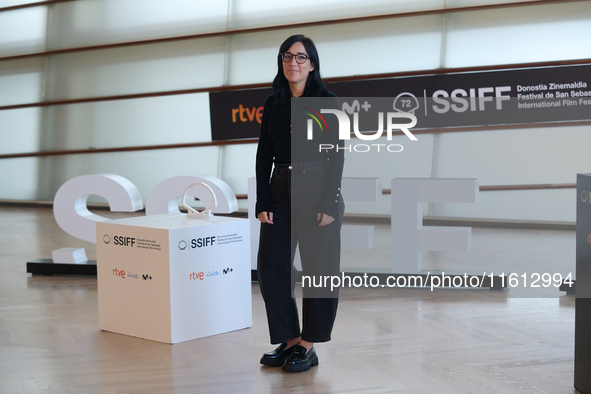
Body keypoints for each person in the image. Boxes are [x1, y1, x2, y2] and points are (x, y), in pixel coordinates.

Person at [255, 34, 345, 373]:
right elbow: (264, 153)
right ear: (282, 62)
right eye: (288, 56)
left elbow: (337, 156)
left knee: (319, 271)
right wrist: (262, 197)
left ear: (312, 64)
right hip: (279, 188)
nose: (294, 62)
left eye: (301, 57)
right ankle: (290, 340)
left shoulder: (327, 100)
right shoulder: (273, 102)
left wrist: (329, 202)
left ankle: (308, 345)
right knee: (272, 267)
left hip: (317, 187)